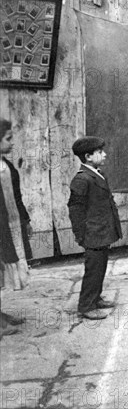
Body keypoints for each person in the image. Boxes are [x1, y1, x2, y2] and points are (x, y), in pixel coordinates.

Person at [68, 136, 122, 320]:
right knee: (93, 270)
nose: (105, 154)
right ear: (88, 156)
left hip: (102, 232)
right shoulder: (82, 179)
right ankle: (86, 306)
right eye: (100, 152)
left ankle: (96, 298)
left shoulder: (98, 174)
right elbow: (75, 210)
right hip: (92, 233)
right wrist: (80, 235)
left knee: (100, 267)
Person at [0, 119, 31, 336]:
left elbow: (16, 198)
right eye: (8, 139)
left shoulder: (6, 166)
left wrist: (25, 221)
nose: (12, 143)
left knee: (4, 270)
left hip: (10, 226)